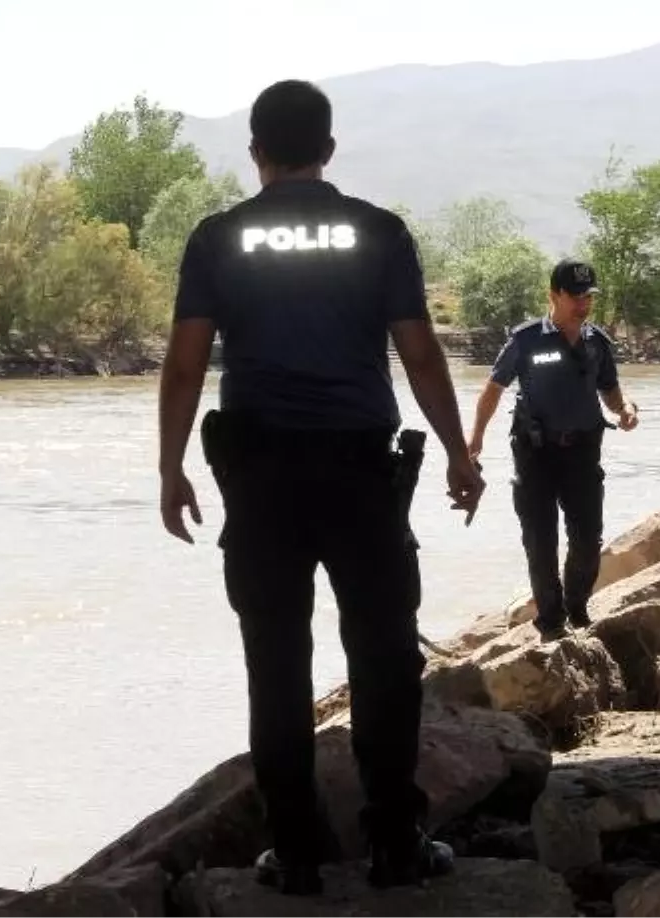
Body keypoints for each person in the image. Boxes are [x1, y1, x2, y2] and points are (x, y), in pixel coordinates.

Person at [156, 79, 485, 897]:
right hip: (360, 473)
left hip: (261, 478)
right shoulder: (377, 232)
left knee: (276, 661)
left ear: (256, 151)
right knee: (382, 657)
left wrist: (170, 467)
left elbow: (188, 362)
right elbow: (419, 353)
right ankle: (395, 845)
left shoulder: (217, 238)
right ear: (329, 150)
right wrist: (457, 452)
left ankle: (296, 854)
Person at [467, 259, 639, 642]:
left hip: (582, 454)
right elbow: (493, 389)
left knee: (587, 538)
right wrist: (475, 439)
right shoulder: (527, 339)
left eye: (589, 296)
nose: (583, 304)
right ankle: (550, 620)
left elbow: (609, 390)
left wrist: (624, 410)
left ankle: (577, 607)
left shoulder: (597, 343)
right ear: (554, 295)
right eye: (575, 296)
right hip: (536, 454)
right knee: (540, 539)